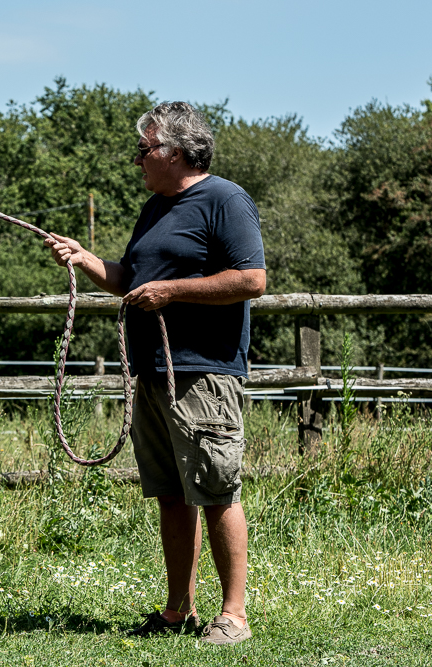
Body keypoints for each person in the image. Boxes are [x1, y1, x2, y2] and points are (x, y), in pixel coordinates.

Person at [46, 102, 266, 645]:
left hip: (202, 372)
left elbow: (252, 280)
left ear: (175, 152)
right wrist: (84, 258)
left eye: (143, 150)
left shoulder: (225, 200)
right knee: (171, 493)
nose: (136, 161)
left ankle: (233, 614)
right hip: (154, 372)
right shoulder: (155, 208)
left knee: (215, 490)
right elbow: (131, 278)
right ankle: (178, 610)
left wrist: (174, 291)